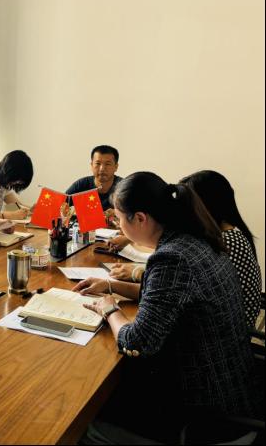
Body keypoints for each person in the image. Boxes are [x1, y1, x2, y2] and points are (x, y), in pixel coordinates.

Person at [74, 172, 258, 443]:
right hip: (236, 389)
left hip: (204, 416)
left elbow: (135, 343)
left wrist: (110, 309)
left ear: (140, 218)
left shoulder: (172, 257)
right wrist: (111, 286)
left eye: (119, 219)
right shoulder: (197, 239)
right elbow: (172, 296)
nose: (119, 227)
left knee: (87, 417)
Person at [180, 170, 262, 326]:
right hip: (235, 318)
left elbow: (184, 290)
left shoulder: (224, 242)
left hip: (233, 327)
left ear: (206, 205)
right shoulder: (231, 232)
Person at [66, 145, 122, 212]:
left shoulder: (124, 187)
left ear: (116, 167)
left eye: (107, 164)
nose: (102, 169)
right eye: (98, 163)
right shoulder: (81, 185)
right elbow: (61, 205)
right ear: (92, 165)